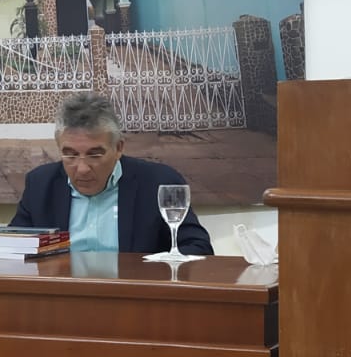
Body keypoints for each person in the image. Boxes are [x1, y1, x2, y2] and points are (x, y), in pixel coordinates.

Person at [11, 93, 213, 254]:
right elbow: (11, 249)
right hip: (62, 298)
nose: (82, 168)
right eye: (70, 155)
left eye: (95, 154)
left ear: (118, 148)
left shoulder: (158, 183)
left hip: (134, 297)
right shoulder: (40, 184)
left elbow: (198, 249)